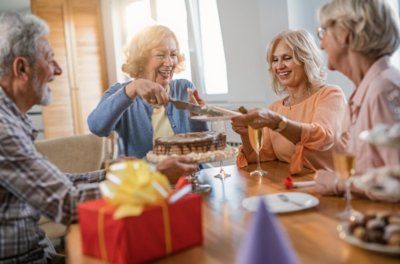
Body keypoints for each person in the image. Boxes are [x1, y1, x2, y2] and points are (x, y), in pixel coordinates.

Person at [0, 12, 198, 263]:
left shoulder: (13, 122)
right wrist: (152, 175)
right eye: (50, 59)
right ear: (21, 68)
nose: (58, 70)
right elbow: (68, 203)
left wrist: (119, 171)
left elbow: (60, 183)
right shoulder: (4, 130)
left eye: (172, 53)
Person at [314, 0, 400, 199]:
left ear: (345, 34)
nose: (321, 43)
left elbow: (396, 183)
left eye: (324, 31)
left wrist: (337, 182)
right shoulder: (367, 87)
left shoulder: (383, 89)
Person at [231, 29, 347, 175]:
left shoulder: (330, 94)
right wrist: (245, 134)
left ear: (306, 59)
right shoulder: (275, 108)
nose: (279, 66)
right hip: (295, 185)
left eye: (286, 58)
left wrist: (277, 122)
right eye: (275, 60)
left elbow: (321, 137)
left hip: (336, 186)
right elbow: (264, 155)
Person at [88, 25, 207, 159]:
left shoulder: (184, 88)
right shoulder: (121, 92)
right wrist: (132, 89)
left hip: (188, 177)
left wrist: (198, 118)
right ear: (141, 59)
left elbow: (203, 147)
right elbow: (96, 127)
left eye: (173, 54)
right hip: (147, 179)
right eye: (160, 55)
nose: (169, 63)